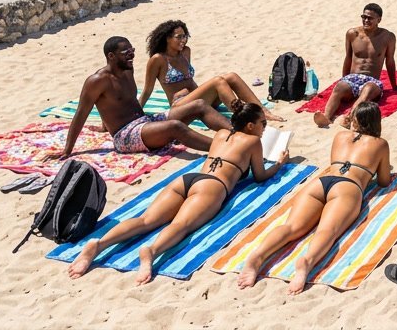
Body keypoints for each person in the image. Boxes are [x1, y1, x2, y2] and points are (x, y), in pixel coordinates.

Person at [68, 101, 290, 284]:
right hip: (212, 186)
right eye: (263, 123)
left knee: (146, 219)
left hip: (187, 179)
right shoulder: (253, 141)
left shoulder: (221, 133)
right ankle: (152, 251)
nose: (264, 128)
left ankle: (99, 244)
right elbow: (260, 175)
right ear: (250, 126)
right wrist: (279, 164)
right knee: (179, 225)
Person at [236, 102, 391, 294]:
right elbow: (384, 181)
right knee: (327, 230)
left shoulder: (340, 136)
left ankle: (257, 256)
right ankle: (306, 262)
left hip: (321, 183)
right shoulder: (381, 144)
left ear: (355, 120)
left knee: (291, 226)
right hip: (347, 187)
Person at [56, 36, 229, 160]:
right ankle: (224, 148)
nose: (131, 56)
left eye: (132, 51)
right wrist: (68, 149)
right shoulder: (97, 81)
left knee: (198, 104)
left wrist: (103, 125)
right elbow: (81, 113)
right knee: (175, 126)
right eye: (126, 53)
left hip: (146, 122)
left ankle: (236, 133)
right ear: (111, 56)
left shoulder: (127, 70)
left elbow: (120, 102)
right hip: (126, 135)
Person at [140, 19, 284, 122]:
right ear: (167, 39)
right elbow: (147, 89)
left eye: (185, 36)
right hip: (180, 105)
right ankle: (242, 117)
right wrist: (138, 113)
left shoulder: (185, 52)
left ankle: (263, 112)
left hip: (201, 100)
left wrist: (203, 92)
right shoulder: (158, 59)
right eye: (179, 37)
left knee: (231, 76)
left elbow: (189, 81)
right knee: (217, 81)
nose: (183, 40)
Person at [316, 3, 397, 128]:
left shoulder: (388, 37)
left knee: (368, 90)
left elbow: (390, 61)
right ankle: (326, 117)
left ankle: (350, 117)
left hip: (372, 80)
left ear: (379, 20)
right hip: (353, 78)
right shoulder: (352, 34)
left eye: (370, 18)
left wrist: (394, 86)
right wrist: (344, 79)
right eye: (363, 17)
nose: (366, 20)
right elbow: (348, 58)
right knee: (339, 87)